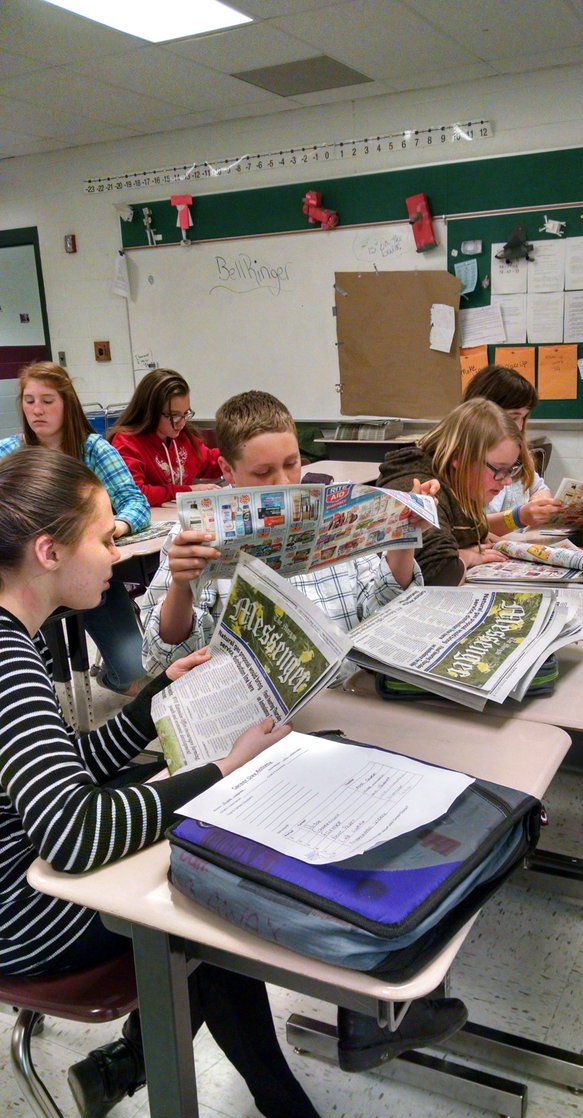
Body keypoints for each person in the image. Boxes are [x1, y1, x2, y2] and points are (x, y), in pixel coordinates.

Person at [0, 447, 345, 1118]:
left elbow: (63, 766)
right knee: (207, 921)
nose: (117, 554)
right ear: (49, 552)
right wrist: (218, 776)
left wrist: (156, 704)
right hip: (22, 920)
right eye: (105, 538)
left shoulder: (9, 639)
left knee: (194, 867)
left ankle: (130, 1064)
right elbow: (73, 832)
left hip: (22, 879)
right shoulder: (9, 662)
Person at [140, 389, 468, 1071]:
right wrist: (180, 586)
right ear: (228, 474)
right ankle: (369, 1006)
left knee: (393, 801)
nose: (285, 482)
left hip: (333, 719)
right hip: (245, 737)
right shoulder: (195, 539)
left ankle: (376, 1003)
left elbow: (379, 610)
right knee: (346, 820)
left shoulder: (326, 518)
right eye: (263, 475)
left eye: (292, 464)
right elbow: (161, 656)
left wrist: (400, 546)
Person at [0, 361, 149, 695]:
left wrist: (108, 532)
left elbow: (135, 502)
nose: (36, 410)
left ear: (67, 404)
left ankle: (108, 676)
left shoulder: (93, 449)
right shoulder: (10, 452)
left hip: (85, 572)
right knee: (31, 679)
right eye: (29, 400)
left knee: (134, 674)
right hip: (29, 580)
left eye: (47, 401)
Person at [377, 398, 525, 584]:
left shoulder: (461, 481)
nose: (507, 480)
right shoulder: (421, 487)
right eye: (499, 469)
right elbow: (438, 574)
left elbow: (470, 534)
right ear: (459, 458)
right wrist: (468, 556)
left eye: (510, 469)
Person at [463, 365, 562, 533]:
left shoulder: (518, 453)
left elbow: (538, 487)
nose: (519, 426)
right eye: (513, 417)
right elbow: (466, 529)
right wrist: (518, 517)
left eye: (523, 417)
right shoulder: (467, 464)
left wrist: (541, 502)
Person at [109, 368, 223, 505]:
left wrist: (238, 453)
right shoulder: (127, 442)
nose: (182, 422)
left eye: (186, 413)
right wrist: (188, 490)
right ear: (150, 412)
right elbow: (136, 494)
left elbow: (209, 461)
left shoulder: (182, 437)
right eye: (173, 415)